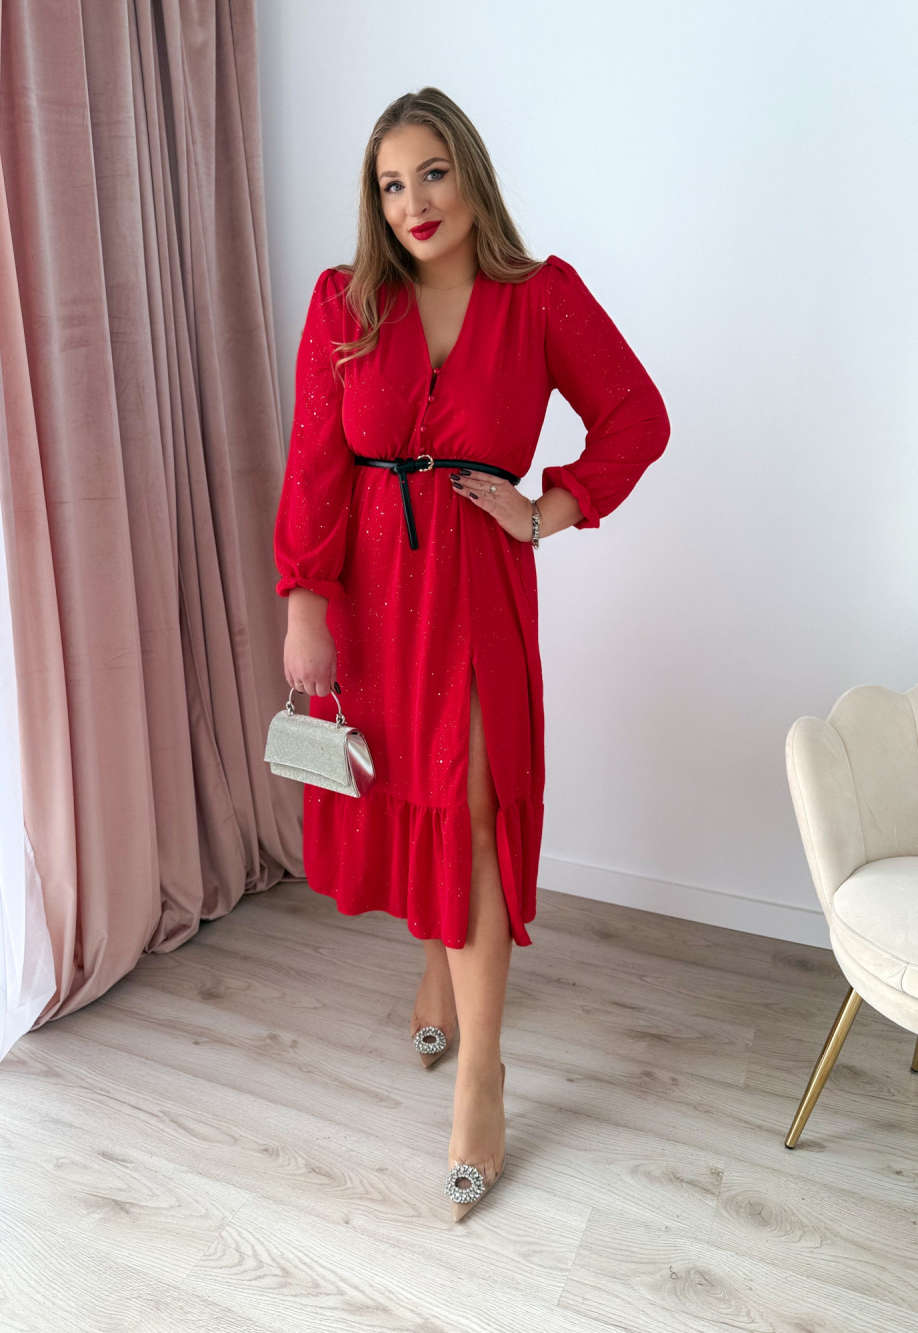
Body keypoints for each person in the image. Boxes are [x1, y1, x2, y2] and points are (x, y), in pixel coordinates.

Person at [273, 86, 670, 1221]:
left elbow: (637, 416)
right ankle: (437, 965)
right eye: (392, 183)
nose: (415, 202)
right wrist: (304, 603)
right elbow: (313, 461)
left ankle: (482, 1081)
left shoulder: (540, 297)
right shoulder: (345, 301)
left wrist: (549, 510)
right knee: (414, 789)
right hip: (373, 594)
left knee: (478, 808)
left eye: (433, 172)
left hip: (479, 590)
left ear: (471, 174)